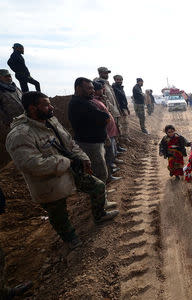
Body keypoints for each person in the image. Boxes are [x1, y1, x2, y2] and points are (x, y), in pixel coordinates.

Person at [6, 92, 119, 249]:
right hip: (48, 181)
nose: (51, 107)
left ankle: (99, 215)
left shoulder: (51, 121)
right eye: (46, 105)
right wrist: (66, 162)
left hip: (70, 170)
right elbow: (31, 164)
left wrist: (83, 157)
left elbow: (69, 142)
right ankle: (70, 239)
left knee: (98, 186)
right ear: (32, 108)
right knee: (58, 214)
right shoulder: (20, 135)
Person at [68, 78, 110, 183]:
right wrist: (104, 117)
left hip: (93, 143)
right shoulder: (79, 104)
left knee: (99, 173)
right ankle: (100, 198)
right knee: (99, 174)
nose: (93, 91)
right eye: (89, 88)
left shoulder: (84, 102)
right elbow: (104, 117)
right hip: (90, 145)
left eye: (93, 88)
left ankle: (101, 198)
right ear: (78, 88)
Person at [91, 81, 121, 182]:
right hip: (106, 133)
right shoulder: (93, 102)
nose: (103, 90)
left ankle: (110, 172)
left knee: (111, 153)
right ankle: (108, 176)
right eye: (100, 89)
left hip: (110, 132)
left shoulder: (100, 99)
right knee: (108, 155)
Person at [94, 67, 128, 146]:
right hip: (108, 110)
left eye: (107, 73)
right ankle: (113, 150)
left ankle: (116, 147)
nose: (107, 74)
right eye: (105, 73)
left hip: (114, 110)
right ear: (100, 73)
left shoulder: (107, 83)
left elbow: (113, 98)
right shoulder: (98, 83)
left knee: (116, 129)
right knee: (110, 131)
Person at [111, 75, 130, 141]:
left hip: (124, 108)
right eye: (118, 80)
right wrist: (121, 110)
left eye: (120, 80)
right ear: (115, 80)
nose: (119, 81)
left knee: (126, 123)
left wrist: (127, 108)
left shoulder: (120, 88)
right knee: (122, 124)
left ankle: (125, 137)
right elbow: (118, 101)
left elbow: (124, 99)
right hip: (120, 108)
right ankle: (122, 138)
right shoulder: (114, 88)